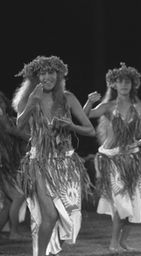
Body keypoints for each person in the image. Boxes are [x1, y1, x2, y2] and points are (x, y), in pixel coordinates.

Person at [13, 55, 95, 256]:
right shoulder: (29, 99)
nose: (47, 77)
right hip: (40, 163)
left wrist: (71, 125)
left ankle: (54, 253)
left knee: (68, 216)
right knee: (49, 216)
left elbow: (90, 130)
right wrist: (32, 101)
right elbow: (19, 124)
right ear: (35, 77)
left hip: (66, 163)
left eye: (52, 72)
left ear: (59, 75)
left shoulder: (68, 98)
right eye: (42, 73)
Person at [83, 63, 141, 252]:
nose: (124, 85)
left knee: (134, 205)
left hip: (132, 160)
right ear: (113, 84)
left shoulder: (140, 108)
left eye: (127, 81)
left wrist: (136, 143)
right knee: (121, 204)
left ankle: (122, 241)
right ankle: (113, 242)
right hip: (111, 160)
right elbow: (85, 115)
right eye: (120, 81)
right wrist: (89, 101)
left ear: (133, 84)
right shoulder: (107, 106)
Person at [0, 91, 29, 240]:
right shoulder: (2, 117)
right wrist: (32, 138)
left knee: (8, 201)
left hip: (7, 163)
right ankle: (13, 232)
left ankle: (11, 232)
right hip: (3, 164)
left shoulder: (5, 117)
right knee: (18, 197)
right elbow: (12, 131)